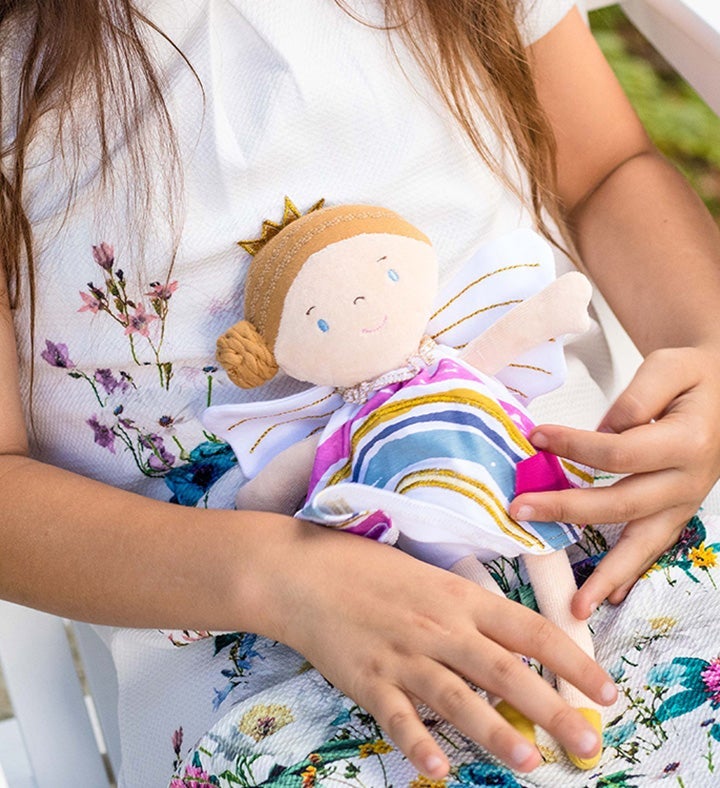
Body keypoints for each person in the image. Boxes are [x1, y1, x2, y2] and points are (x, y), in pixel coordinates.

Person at [1, 1, 719, 786]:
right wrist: (279, 577)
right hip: (270, 647)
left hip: (595, 507)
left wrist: (710, 353)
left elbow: (605, 167)